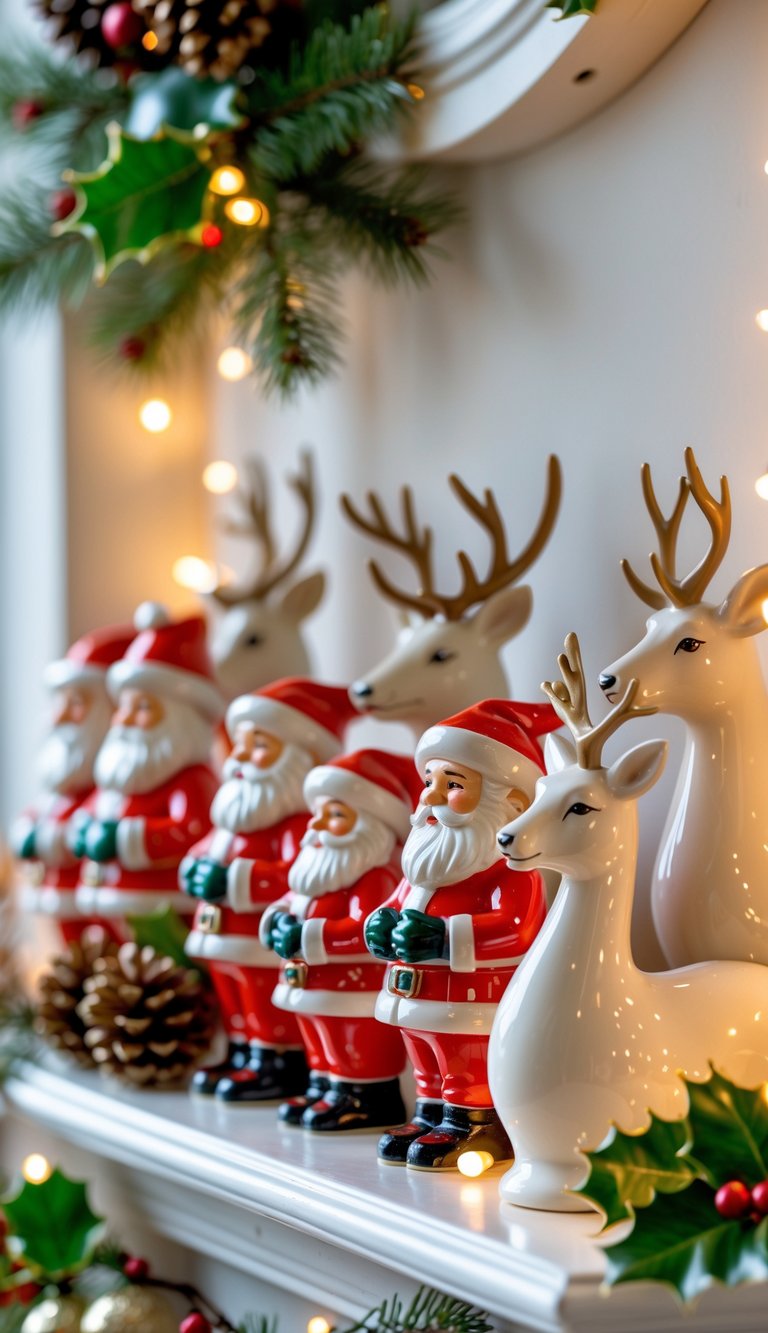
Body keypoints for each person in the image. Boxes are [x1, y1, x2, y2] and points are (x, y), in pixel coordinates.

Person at [365, 699, 560, 1170]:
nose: (431, 797)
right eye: (429, 781)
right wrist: (380, 922)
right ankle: (430, 1113)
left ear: (509, 802)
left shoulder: (512, 870)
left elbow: (516, 930)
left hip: (472, 999)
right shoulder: (426, 863)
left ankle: (473, 1121)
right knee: (426, 1058)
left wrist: (442, 937)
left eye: (452, 785)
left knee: (462, 1060)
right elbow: (396, 902)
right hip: (414, 993)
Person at [181, 679, 356, 1102]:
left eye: (257, 745)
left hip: (253, 939)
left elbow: (294, 877)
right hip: (221, 935)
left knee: (258, 996)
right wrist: (193, 868)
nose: (238, 756)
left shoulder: (299, 827)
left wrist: (237, 880)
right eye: (239, 743)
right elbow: (200, 850)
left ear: (303, 759)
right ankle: (241, 1052)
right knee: (233, 998)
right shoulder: (232, 820)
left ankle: (272, 1059)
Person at [261, 750, 421, 1131]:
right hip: (312, 985)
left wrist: (306, 935)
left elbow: (361, 928)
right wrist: (276, 921)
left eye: (334, 815)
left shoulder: (375, 876)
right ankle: (324, 1085)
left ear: (367, 825)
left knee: (351, 1042)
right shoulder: (316, 871)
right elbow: (288, 902)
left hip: (353, 990)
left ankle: (364, 1096)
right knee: (318, 1038)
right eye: (319, 812)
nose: (315, 825)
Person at [73, 603, 222, 934]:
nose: (123, 719)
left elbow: (192, 827)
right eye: (122, 706)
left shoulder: (191, 780)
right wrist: (82, 829)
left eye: (140, 708)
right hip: (107, 899)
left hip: (161, 906)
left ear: (178, 717)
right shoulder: (116, 782)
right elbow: (89, 811)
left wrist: (123, 838)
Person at [10, 623, 135, 943]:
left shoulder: (111, 795)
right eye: (59, 702)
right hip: (56, 895)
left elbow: (91, 827)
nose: (60, 717)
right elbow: (38, 815)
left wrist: (65, 836)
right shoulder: (62, 788)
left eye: (77, 703)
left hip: (103, 898)